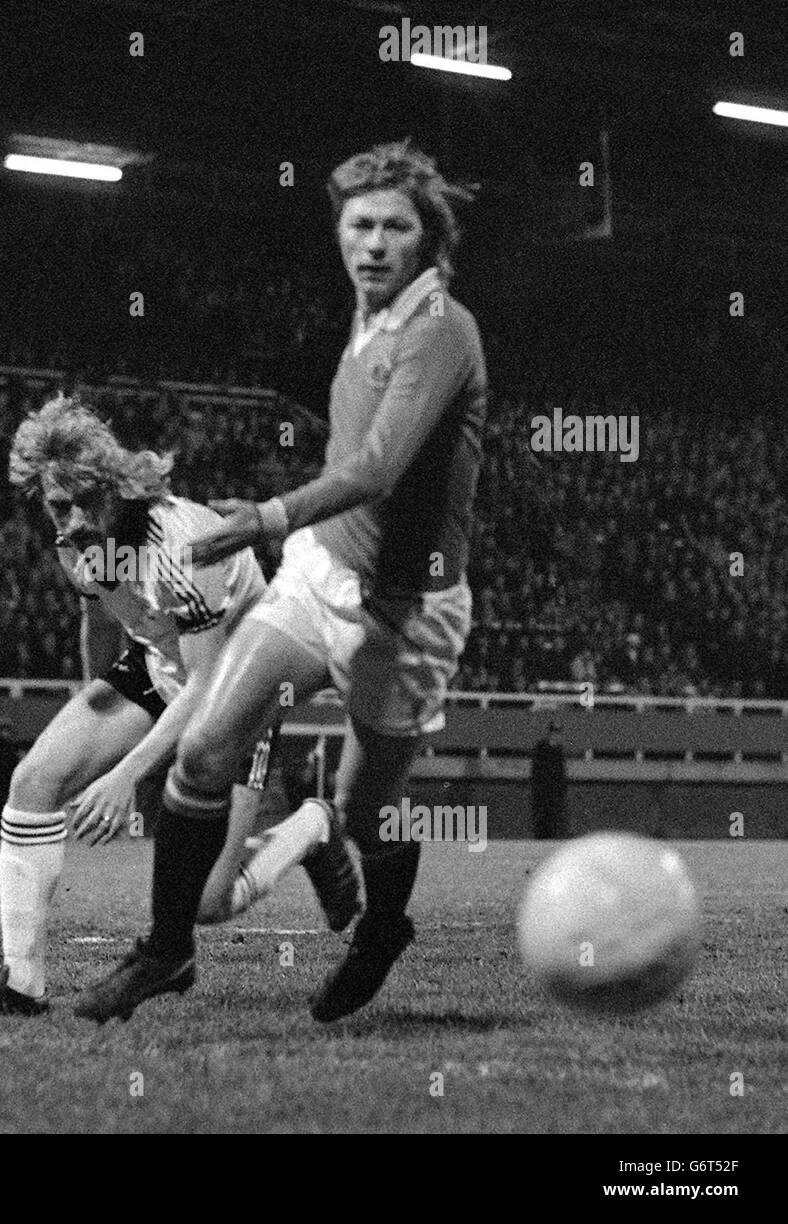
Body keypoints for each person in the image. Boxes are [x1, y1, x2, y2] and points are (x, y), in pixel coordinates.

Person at [76, 140, 486, 1024]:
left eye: (395, 228)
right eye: (359, 226)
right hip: (316, 576)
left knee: (362, 809)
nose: (373, 244)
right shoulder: (367, 311)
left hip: (403, 615)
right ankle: (167, 950)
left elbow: (378, 468)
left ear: (428, 239)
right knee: (202, 751)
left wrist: (264, 517)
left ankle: (382, 930)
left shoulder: (442, 329)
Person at [0, 396, 361, 1017]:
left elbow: (207, 683)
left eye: (88, 501)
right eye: (60, 504)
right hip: (158, 658)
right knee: (33, 780)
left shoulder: (180, 544)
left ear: (114, 489)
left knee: (206, 905)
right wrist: (94, 700)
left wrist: (125, 774)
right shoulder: (73, 538)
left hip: (238, 684)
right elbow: (98, 614)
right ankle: (20, 986)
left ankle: (312, 829)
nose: (75, 518)